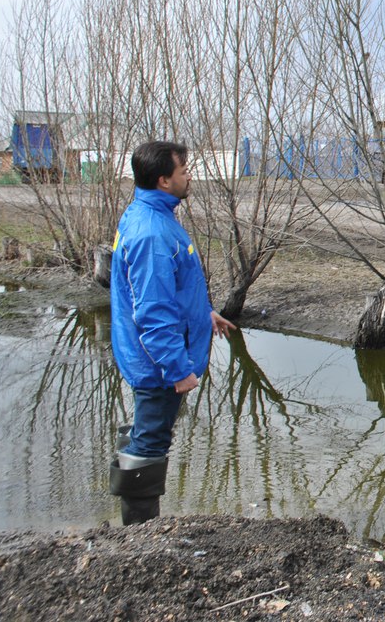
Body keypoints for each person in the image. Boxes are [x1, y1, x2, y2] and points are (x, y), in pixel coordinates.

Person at [108, 141, 235, 524]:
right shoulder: (152, 233)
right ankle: (140, 532)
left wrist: (203, 314)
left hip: (151, 357)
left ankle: (138, 526)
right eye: (184, 170)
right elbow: (152, 313)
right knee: (149, 442)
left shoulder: (151, 214)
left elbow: (166, 289)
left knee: (145, 433)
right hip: (158, 365)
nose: (189, 175)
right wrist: (178, 370)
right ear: (164, 180)